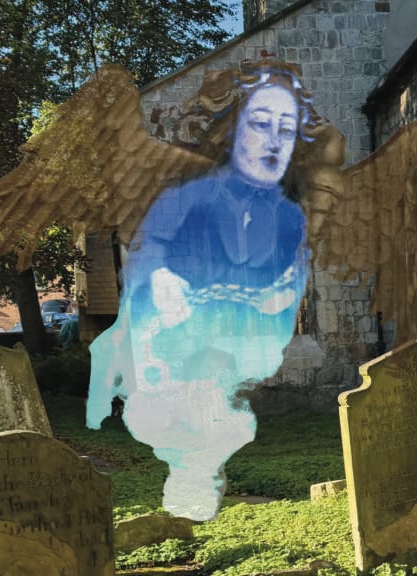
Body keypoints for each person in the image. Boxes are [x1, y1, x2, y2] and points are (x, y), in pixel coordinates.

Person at [85, 62, 333, 520]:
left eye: (286, 128)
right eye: (261, 124)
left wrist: (282, 293)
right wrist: (161, 278)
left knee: (218, 413)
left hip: (239, 342)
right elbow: (149, 246)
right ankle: (188, 481)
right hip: (178, 335)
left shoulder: (289, 216)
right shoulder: (187, 196)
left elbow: (294, 273)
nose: (273, 139)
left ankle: (201, 476)